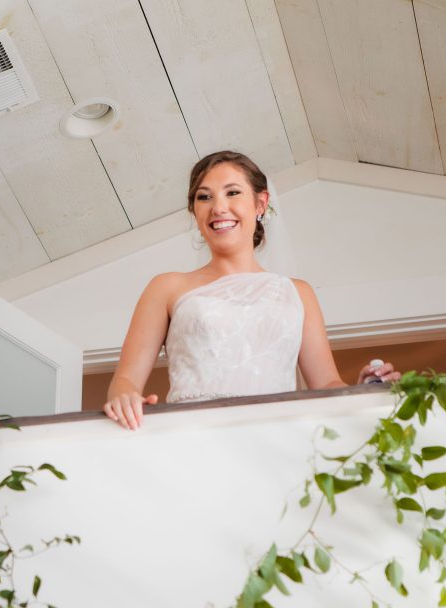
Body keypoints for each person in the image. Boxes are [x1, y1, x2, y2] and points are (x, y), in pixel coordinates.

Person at [104, 151, 399, 430]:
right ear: (194, 211)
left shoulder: (299, 293)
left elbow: (326, 385)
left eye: (232, 192)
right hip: (194, 435)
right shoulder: (166, 287)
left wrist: (360, 390)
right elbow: (125, 380)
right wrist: (124, 396)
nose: (218, 207)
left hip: (275, 437)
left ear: (260, 203)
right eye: (204, 197)